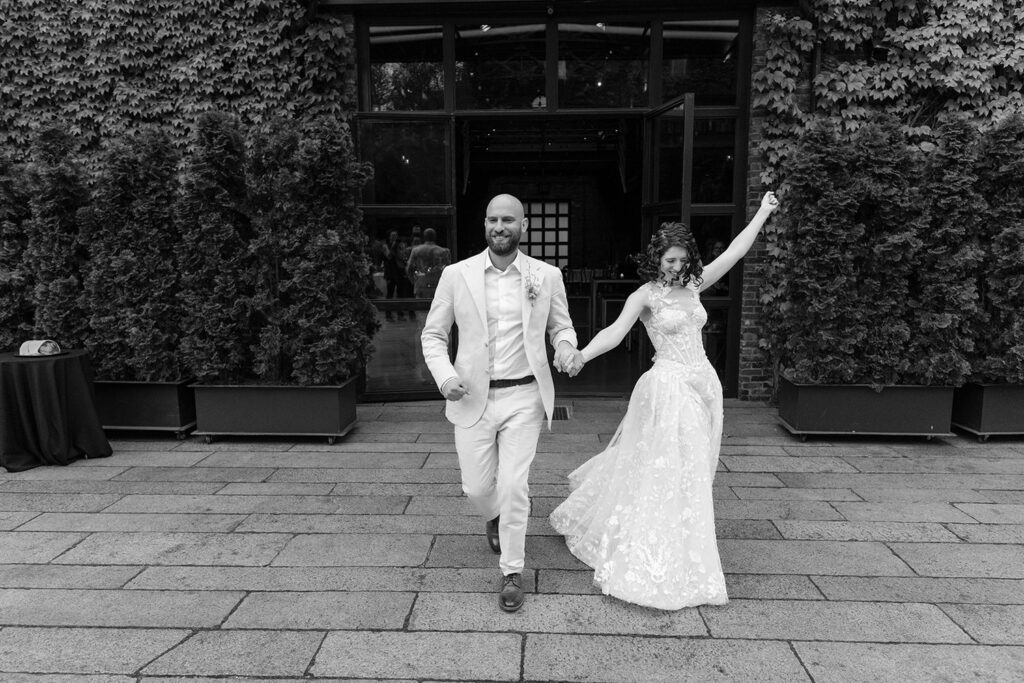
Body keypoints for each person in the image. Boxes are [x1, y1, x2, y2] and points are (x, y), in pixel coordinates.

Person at [549, 191, 780, 610]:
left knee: (694, 465)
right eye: (669, 260)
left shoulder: (696, 285)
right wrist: (580, 354)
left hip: (703, 384)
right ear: (658, 259)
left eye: (682, 259)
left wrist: (762, 211)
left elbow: (736, 250)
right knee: (671, 467)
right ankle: (663, 553)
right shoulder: (646, 296)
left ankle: (685, 538)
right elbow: (614, 333)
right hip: (669, 388)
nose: (677, 266)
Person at [421, 193, 582, 613]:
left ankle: (512, 571)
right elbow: (434, 335)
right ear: (484, 224)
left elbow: (561, 326)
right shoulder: (456, 275)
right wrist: (446, 377)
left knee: (514, 485)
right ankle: (491, 515)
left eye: (508, 220)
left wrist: (565, 347)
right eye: (492, 219)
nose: (499, 227)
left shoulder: (546, 276)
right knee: (477, 488)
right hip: (471, 396)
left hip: (525, 396)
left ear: (522, 226)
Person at [406, 227, 452, 299]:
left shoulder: (416, 250)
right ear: (435, 237)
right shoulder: (443, 251)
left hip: (421, 284)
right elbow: (449, 271)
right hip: (437, 284)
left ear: (424, 237)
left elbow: (409, 268)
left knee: (420, 308)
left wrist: (414, 281)